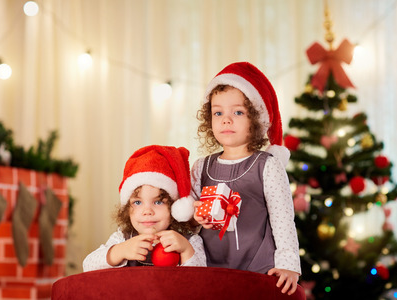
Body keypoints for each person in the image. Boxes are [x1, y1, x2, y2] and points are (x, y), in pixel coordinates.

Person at [192, 62, 301, 295]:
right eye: (218, 112)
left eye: (238, 112)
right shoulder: (201, 167)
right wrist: (196, 214)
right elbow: (187, 221)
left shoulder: (267, 165)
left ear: (256, 119)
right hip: (210, 270)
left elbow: (283, 219)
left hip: (258, 270)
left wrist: (288, 265)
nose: (226, 120)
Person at [83, 145, 205, 271]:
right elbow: (87, 266)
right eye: (137, 203)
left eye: (158, 202)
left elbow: (200, 283)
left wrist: (186, 251)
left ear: (173, 207)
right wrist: (120, 251)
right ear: (127, 210)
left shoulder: (190, 240)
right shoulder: (121, 238)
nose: (147, 211)